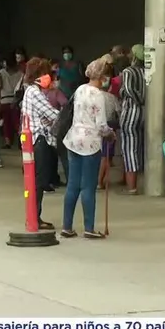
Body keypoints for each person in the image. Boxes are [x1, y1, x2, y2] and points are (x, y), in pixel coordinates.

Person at [61, 56, 115, 239]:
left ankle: (67, 226)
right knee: (88, 186)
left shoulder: (79, 89)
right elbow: (101, 125)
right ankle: (89, 228)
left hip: (73, 139)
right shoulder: (98, 95)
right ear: (101, 77)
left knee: (72, 185)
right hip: (90, 143)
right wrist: (110, 134)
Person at [21, 57, 60, 229]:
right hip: (39, 140)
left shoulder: (32, 91)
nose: (49, 77)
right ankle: (34, 216)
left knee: (37, 181)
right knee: (39, 181)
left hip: (35, 139)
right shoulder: (34, 92)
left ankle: (34, 215)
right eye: (46, 73)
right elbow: (51, 114)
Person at [119, 44, 146, 195]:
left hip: (130, 114)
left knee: (129, 149)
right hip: (144, 114)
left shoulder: (128, 72)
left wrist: (139, 100)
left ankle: (132, 187)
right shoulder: (146, 72)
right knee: (139, 148)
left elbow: (128, 90)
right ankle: (136, 184)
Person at [0, 54, 24, 149]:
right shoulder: (21, 74)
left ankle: (8, 142)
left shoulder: (1, 73)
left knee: (6, 123)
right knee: (18, 123)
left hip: (4, 101)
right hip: (16, 101)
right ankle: (21, 141)